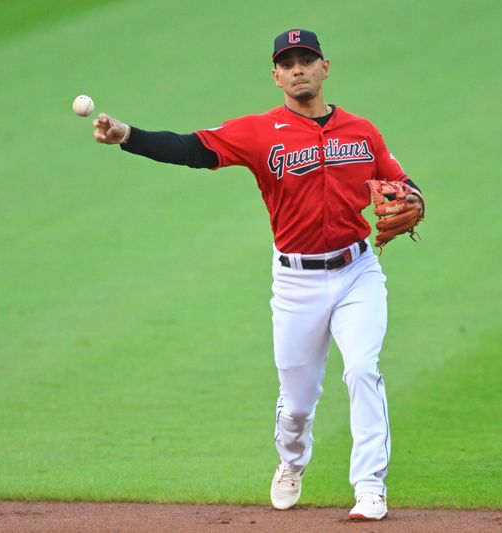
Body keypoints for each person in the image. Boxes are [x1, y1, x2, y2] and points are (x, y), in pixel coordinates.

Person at [91, 29, 424, 521]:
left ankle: (370, 487)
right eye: (287, 63)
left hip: (358, 273)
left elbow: (400, 180)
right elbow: (192, 149)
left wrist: (415, 198)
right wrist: (128, 136)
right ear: (275, 75)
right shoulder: (258, 132)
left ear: (325, 67)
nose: (297, 69)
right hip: (296, 283)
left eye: (306, 60)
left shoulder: (362, 130)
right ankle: (292, 462)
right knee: (296, 402)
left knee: (362, 370)